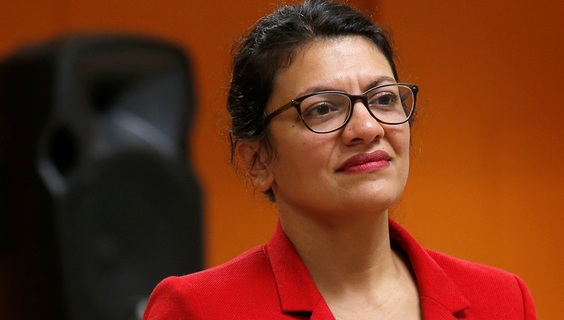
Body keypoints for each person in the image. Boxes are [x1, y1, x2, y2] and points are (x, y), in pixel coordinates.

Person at [143, 0, 537, 319]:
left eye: (383, 99)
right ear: (257, 161)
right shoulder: (199, 309)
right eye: (322, 109)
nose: (366, 128)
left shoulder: (501, 300)